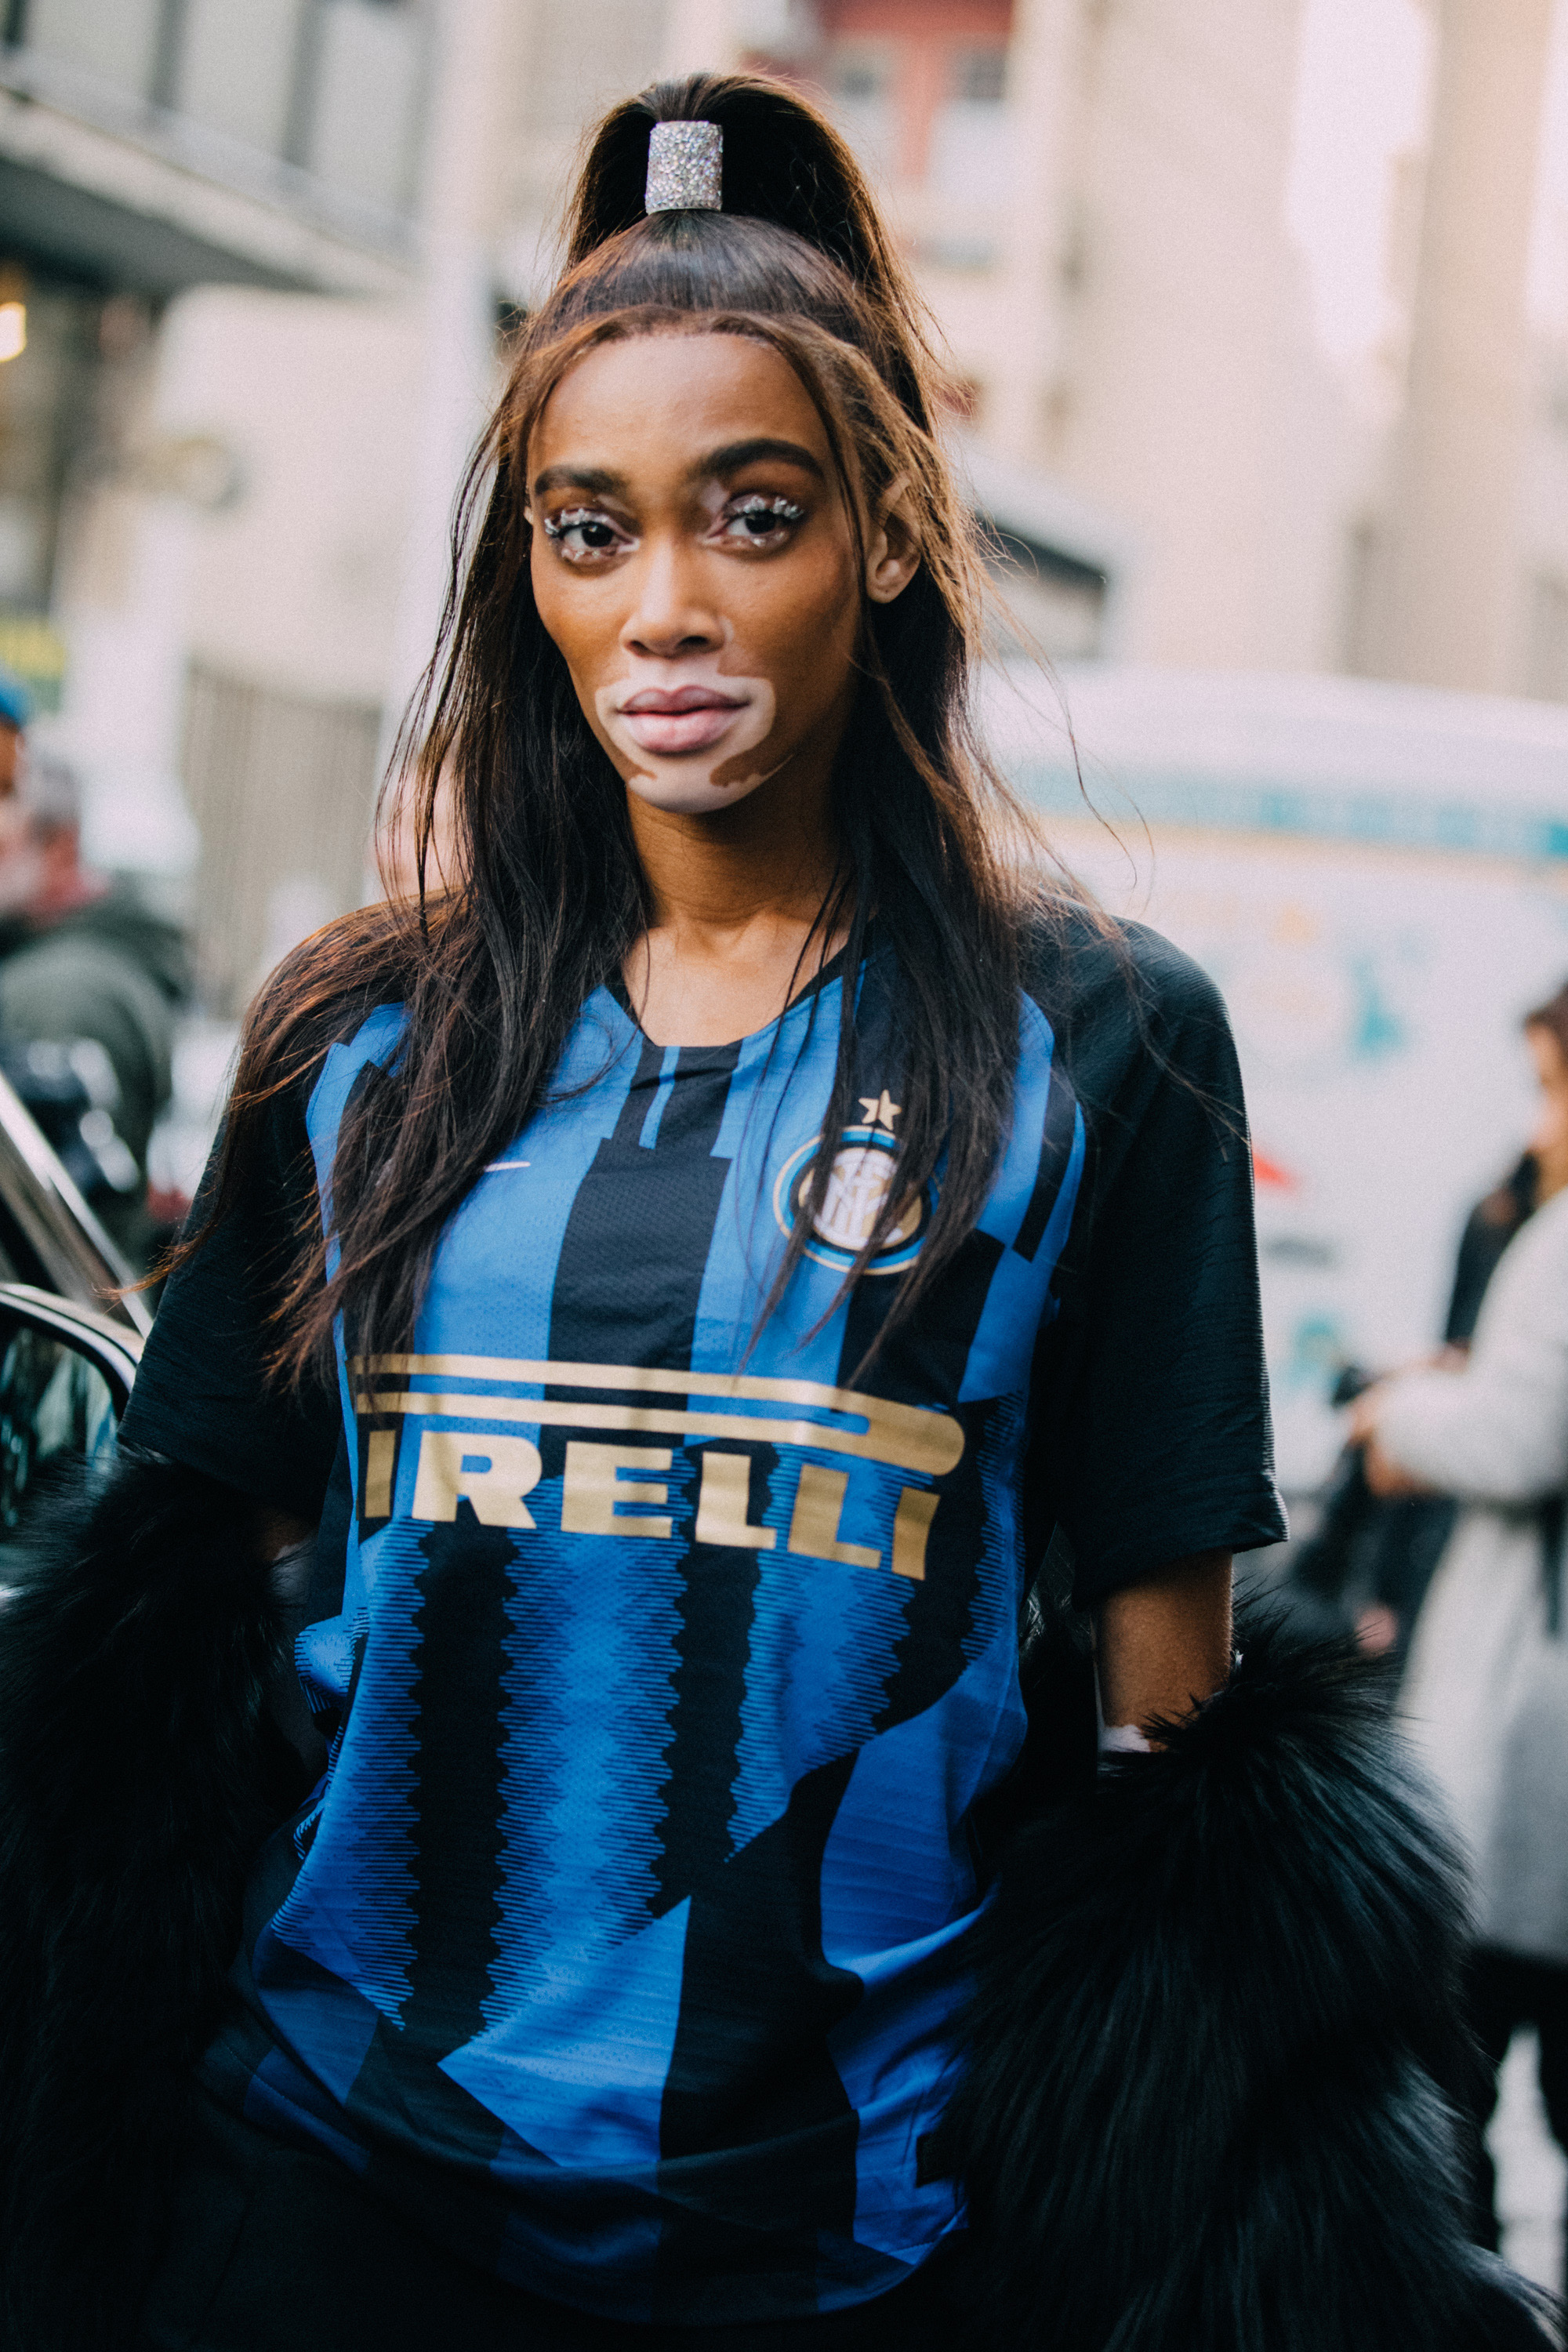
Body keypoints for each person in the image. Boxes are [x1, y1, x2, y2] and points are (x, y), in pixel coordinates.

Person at [0, 74, 1548, 2352]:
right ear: (523, 572)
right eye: (589, 528)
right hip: (326, 2190)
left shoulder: (1100, 1042)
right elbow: (196, 1646)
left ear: (891, 534)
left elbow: (1167, 1739)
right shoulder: (355, 1042)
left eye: (753, 513)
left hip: (869, 2234)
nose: (667, 607)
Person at [1354, 1037, 1568, 2278]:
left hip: (1533, 1714)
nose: (1539, 1124)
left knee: (1455, 2056)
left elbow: (1527, 1432)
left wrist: (1401, 1415)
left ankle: (1459, 2300)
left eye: (1552, 1087)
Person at [0, 749, 189, 1266]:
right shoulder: (58, 961)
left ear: (61, 846)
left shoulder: (60, 994)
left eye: (7, 797)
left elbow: (65, 1246)